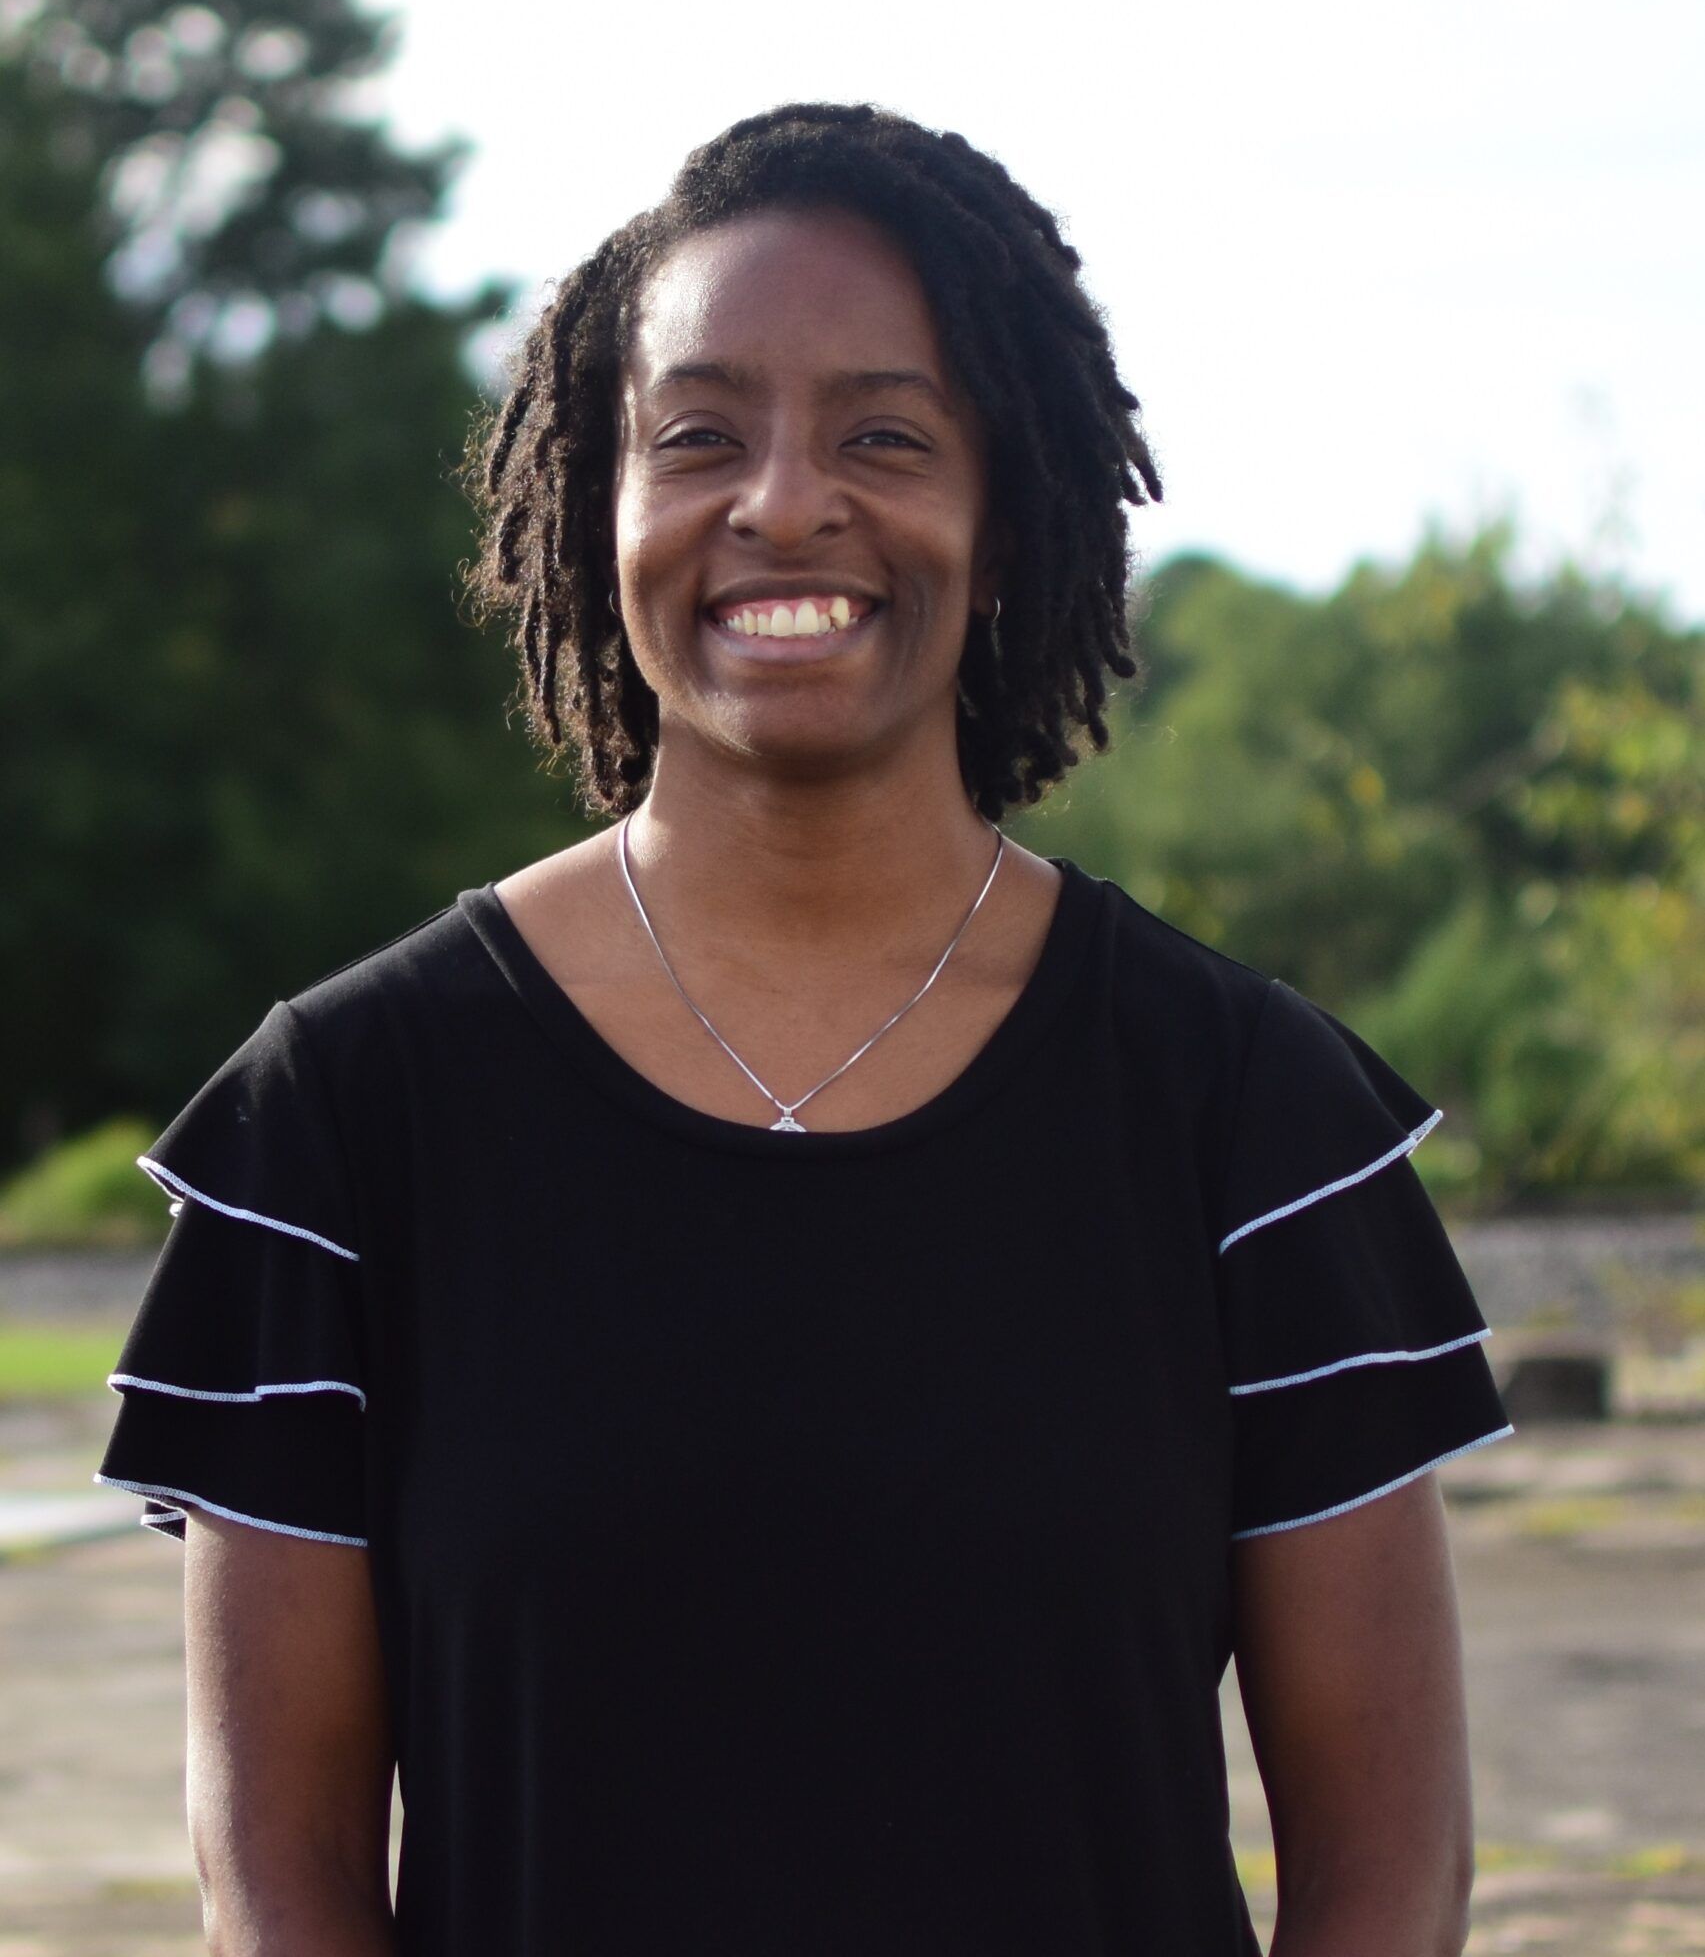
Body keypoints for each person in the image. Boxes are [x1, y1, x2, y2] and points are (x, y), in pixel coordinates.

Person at [97, 100, 1513, 1957]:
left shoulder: (1242, 1113)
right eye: (696, 437)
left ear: (1003, 517)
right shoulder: (340, 1128)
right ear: (599, 508)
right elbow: (278, 1889)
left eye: (884, 435)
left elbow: (1387, 1869)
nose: (780, 502)